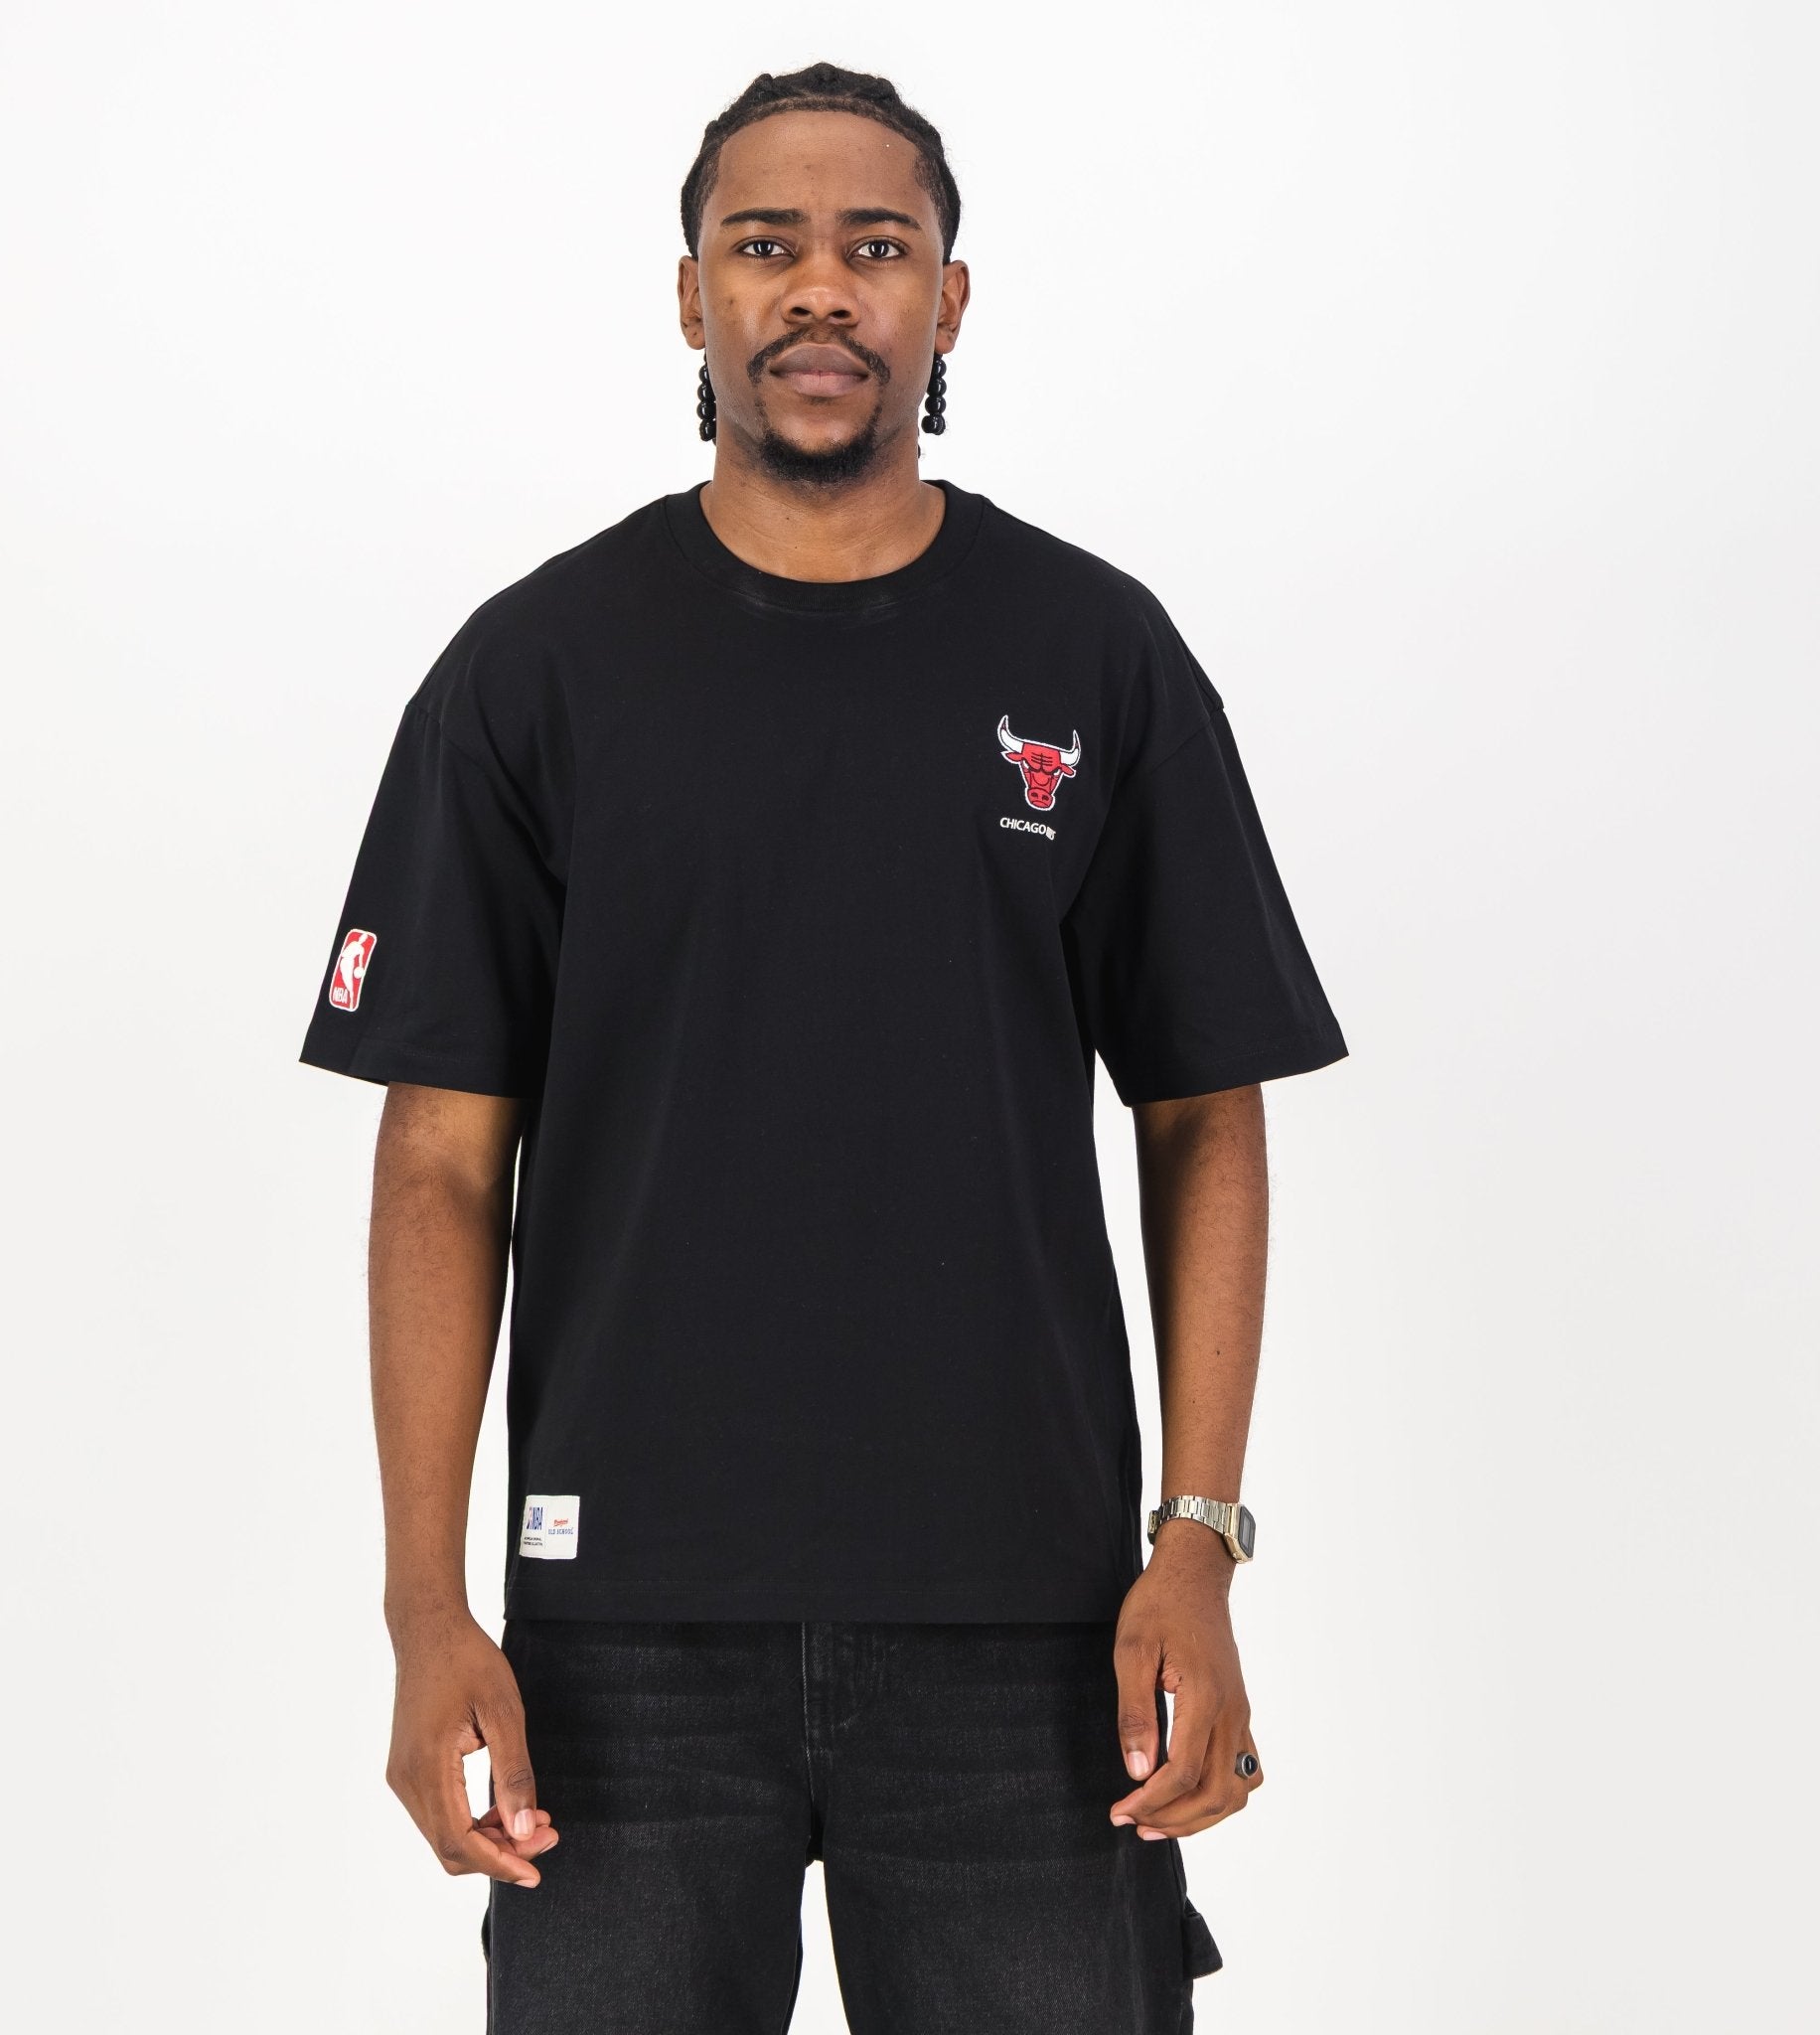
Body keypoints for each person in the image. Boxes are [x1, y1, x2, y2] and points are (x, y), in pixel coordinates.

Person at [299, 60, 1347, 2035]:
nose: (819, 290)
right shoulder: (536, 672)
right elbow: (438, 1156)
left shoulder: (1094, 653)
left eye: (876, 246)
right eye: (763, 244)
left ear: (949, 299)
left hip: (1030, 1635)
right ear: (689, 293)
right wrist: (427, 1607)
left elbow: (1206, 1109)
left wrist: (1197, 1544)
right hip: (622, 1640)